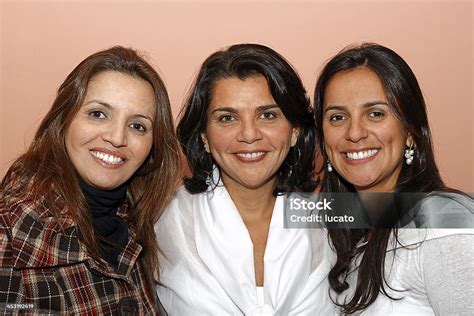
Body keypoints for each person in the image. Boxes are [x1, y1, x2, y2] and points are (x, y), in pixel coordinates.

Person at [155, 43, 335, 315]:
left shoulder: (329, 212)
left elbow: (419, 214)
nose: (249, 135)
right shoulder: (162, 221)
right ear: (204, 136)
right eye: (227, 118)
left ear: (295, 130)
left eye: (267, 115)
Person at [0, 46, 181, 315]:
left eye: (137, 125)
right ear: (63, 120)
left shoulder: (140, 221)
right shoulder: (9, 235)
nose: (117, 138)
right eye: (98, 114)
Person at [313, 43, 474, 315]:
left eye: (375, 114)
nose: (354, 133)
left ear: (410, 131)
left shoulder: (442, 220)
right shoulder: (348, 238)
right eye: (338, 117)